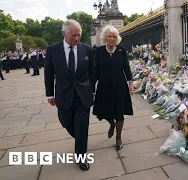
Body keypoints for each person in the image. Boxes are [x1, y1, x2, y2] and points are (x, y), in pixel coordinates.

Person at [44, 19, 95, 171]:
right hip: (63, 94)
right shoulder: (53, 50)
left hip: (83, 95)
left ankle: (81, 154)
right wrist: (49, 94)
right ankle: (80, 138)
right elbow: (48, 74)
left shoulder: (86, 49)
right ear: (63, 34)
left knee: (82, 126)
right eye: (74, 35)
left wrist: (92, 90)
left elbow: (92, 72)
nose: (77, 39)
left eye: (79, 35)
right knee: (66, 121)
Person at [92, 25, 134, 151]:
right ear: (105, 37)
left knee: (119, 113)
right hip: (104, 86)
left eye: (114, 37)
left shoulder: (121, 50)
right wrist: (92, 88)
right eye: (109, 36)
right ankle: (112, 124)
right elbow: (96, 70)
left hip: (120, 86)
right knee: (103, 113)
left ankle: (118, 137)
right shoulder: (99, 51)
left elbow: (126, 68)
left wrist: (130, 83)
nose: (112, 39)